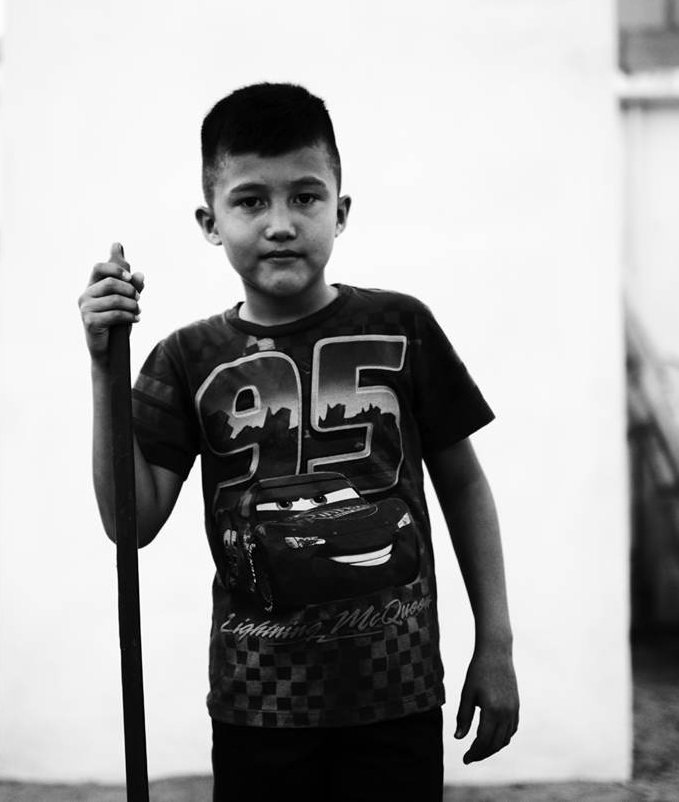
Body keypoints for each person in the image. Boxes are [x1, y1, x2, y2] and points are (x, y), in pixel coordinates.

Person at [78, 82, 518, 801]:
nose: (280, 223)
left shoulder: (402, 327)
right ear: (210, 221)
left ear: (340, 211)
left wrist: (494, 644)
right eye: (251, 200)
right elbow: (130, 523)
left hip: (396, 693)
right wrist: (104, 365)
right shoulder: (186, 359)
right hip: (260, 704)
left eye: (305, 197)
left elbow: (463, 485)